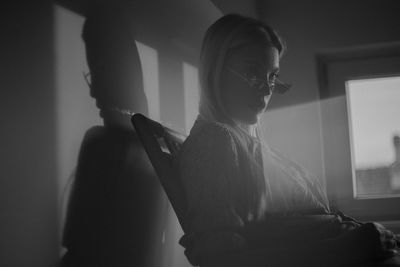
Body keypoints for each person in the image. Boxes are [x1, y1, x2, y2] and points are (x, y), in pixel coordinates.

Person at [174, 14, 400, 267]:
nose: (267, 89)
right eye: (252, 72)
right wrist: (348, 246)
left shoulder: (250, 145)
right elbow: (220, 259)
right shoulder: (215, 141)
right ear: (215, 70)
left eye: (272, 76)